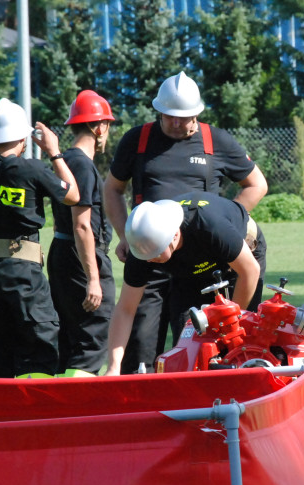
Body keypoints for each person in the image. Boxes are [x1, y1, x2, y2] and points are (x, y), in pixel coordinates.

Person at [103, 70, 267, 374]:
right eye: (168, 117)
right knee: (140, 346)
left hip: (204, 252)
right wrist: (128, 236)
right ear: (158, 111)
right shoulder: (137, 140)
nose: (176, 123)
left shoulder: (215, 141)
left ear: (198, 112)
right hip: (150, 245)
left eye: (184, 117)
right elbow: (112, 189)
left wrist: (228, 223)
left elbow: (257, 184)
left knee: (199, 342)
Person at [0, 98, 79, 378]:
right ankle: (37, 412)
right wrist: (55, 153)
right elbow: (73, 196)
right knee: (41, 345)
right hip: (22, 273)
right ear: (23, 139)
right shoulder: (30, 168)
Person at [106, 192, 262, 376]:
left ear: (173, 236)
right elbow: (125, 309)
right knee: (187, 343)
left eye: (154, 254)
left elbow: (250, 271)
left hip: (239, 263)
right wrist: (113, 367)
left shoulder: (208, 225)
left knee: (238, 342)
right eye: (144, 257)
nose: (148, 262)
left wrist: (229, 325)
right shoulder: (143, 250)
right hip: (190, 273)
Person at [47, 90, 116, 377]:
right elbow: (82, 225)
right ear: (99, 127)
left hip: (61, 252)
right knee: (92, 336)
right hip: (81, 256)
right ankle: (81, 407)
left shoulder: (64, 161)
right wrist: (94, 279)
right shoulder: (83, 167)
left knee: (69, 337)